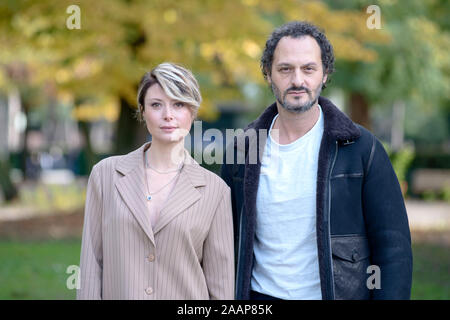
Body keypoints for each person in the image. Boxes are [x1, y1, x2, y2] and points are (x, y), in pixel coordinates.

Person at [221, 21, 412, 300]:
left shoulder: (361, 148)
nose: (297, 80)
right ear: (268, 74)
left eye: (308, 69)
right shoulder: (243, 149)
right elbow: (223, 241)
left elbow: (393, 249)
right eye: (285, 69)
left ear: (324, 74)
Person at [77, 62, 234, 300]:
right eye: (156, 105)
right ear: (142, 111)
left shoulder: (215, 190)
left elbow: (221, 286)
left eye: (178, 104)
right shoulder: (105, 175)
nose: (168, 115)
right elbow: (90, 268)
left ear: (192, 111)